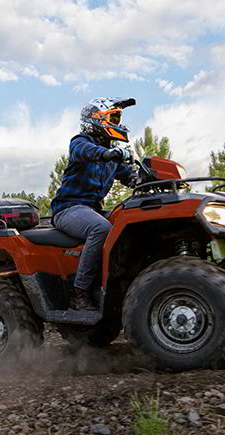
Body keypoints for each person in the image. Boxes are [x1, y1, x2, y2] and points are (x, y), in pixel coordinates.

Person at [51, 97, 140, 310]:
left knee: (128, 222)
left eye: (118, 117)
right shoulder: (81, 142)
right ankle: (79, 293)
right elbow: (87, 152)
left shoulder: (111, 156)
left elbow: (129, 176)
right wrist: (109, 154)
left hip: (92, 210)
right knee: (100, 228)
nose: (117, 122)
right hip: (68, 209)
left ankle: (116, 278)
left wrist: (144, 179)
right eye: (113, 117)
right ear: (96, 119)